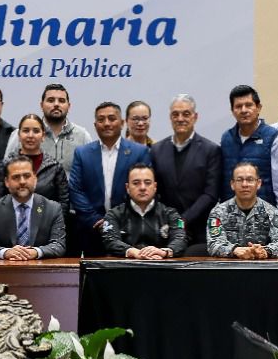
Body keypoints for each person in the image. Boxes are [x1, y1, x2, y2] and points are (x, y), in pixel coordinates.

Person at [68, 101, 150, 256]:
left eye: (112, 119)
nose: (106, 123)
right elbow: (75, 189)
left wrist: (118, 220)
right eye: (101, 119)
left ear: (122, 123)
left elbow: (143, 189)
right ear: (95, 125)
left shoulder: (139, 152)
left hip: (129, 230)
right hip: (92, 230)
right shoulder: (82, 153)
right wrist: (95, 220)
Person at [150, 93, 221, 256]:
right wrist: (168, 220)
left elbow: (210, 194)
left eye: (186, 114)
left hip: (200, 231)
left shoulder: (211, 150)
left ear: (195, 117)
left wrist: (183, 220)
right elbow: (154, 191)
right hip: (165, 230)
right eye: (175, 114)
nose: (180, 118)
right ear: (170, 118)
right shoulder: (156, 150)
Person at [219, 84, 278, 218]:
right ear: (232, 111)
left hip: (265, 219)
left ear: (258, 108)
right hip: (232, 219)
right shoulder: (226, 139)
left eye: (248, 105)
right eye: (238, 106)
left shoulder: (275, 139)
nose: (244, 110)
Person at [0, 155, 67, 261]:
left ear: (35, 179)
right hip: (5, 268)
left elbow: (59, 245)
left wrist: (36, 252)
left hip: (39, 269)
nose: (22, 181)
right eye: (16, 177)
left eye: (27, 176)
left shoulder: (53, 208)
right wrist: (6, 252)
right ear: (6, 182)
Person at [207, 163, 278, 259]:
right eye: (239, 180)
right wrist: (234, 250)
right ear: (232, 184)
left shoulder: (272, 212)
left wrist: (266, 251)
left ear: (258, 183)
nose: (245, 184)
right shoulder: (218, 212)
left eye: (250, 179)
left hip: (262, 265)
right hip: (229, 265)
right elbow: (213, 244)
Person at [102, 163, 185, 259]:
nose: (142, 187)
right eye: (136, 183)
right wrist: (133, 252)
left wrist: (163, 252)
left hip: (161, 265)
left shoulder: (170, 214)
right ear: (127, 188)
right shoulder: (113, 214)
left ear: (155, 186)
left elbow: (181, 239)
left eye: (148, 183)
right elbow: (110, 240)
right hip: (125, 266)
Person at [0, 113, 68, 205]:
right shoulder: (6, 164)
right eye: (26, 131)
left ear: (43, 136)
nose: (30, 135)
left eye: (36, 131)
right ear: (19, 135)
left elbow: (63, 203)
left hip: (45, 214)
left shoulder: (55, 168)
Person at [38, 84, 92, 167]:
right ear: (41, 105)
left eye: (61, 101)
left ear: (69, 106)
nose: (56, 104)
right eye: (51, 100)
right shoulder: (26, 135)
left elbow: (91, 170)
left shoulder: (82, 136)